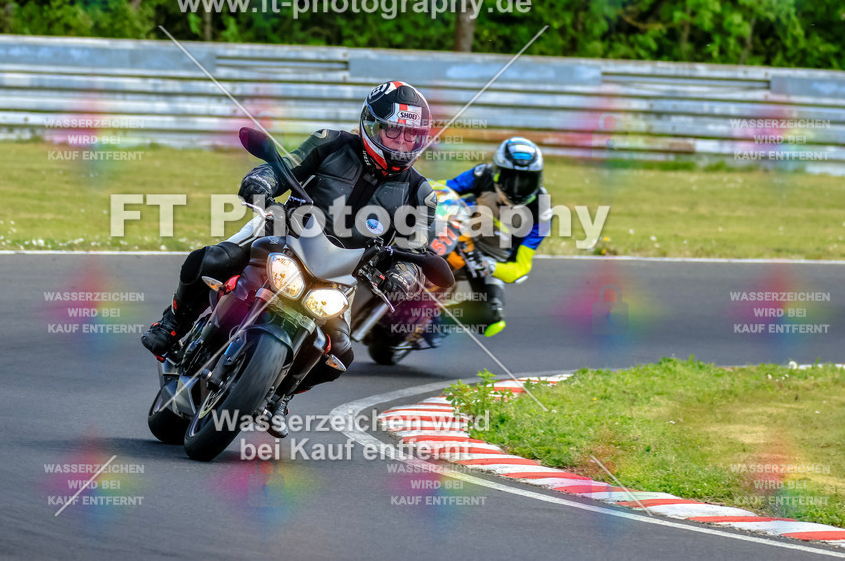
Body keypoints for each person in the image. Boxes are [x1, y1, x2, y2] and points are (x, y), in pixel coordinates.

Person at [142, 81, 437, 436]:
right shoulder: (331, 142)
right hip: (285, 232)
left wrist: (403, 275)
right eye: (394, 132)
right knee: (211, 260)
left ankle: (281, 394)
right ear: (371, 125)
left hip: (341, 273)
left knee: (339, 355)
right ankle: (173, 324)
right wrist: (262, 181)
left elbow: (417, 247)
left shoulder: (420, 191)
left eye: (411, 136)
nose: (403, 143)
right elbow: (284, 167)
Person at [443, 137, 550, 337]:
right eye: (512, 179)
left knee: (491, 319)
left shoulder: (541, 212)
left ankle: (436, 321)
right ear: (498, 173)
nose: (518, 189)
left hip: (487, 261)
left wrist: (488, 266)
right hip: (457, 233)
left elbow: (520, 268)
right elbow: (443, 188)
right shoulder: (482, 174)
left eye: (526, 181)